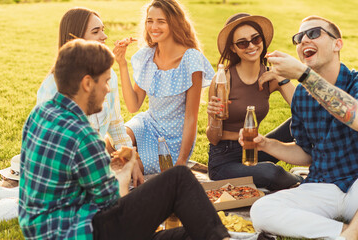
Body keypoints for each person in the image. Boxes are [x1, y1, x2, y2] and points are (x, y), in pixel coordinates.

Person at [19, 39, 230, 240]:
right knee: (179, 178)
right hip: (84, 232)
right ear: (86, 83)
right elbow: (113, 204)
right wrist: (126, 171)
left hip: (43, 230)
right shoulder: (83, 136)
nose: (108, 90)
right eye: (106, 81)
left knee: (194, 233)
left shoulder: (39, 114)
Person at [239, 15, 358, 239]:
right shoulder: (302, 96)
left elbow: (354, 115)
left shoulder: (355, 81)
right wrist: (266, 144)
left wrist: (304, 76)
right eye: (299, 37)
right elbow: (306, 154)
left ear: (337, 44)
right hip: (323, 187)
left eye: (313, 34)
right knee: (262, 210)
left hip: (356, 185)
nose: (303, 40)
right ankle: (344, 233)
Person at [35, 7, 143, 186]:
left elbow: (116, 125)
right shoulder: (53, 86)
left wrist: (131, 159)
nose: (104, 36)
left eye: (103, 29)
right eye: (96, 31)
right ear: (74, 40)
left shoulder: (109, 77)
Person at [114, 0, 215, 175]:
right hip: (147, 124)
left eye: (161, 21)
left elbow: (191, 117)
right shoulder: (148, 55)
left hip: (172, 141)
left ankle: (134, 161)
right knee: (113, 143)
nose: (154, 27)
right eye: (149, 20)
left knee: (126, 168)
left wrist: (182, 161)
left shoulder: (191, 60)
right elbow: (133, 106)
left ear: (174, 23)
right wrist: (122, 64)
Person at [206, 13, 302, 190]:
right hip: (225, 159)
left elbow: (304, 110)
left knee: (299, 121)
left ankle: (325, 162)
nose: (251, 46)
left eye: (256, 39)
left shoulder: (270, 76)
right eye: (242, 43)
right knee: (272, 173)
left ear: (262, 41)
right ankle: (308, 182)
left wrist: (281, 77)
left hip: (255, 147)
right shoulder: (223, 80)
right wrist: (214, 119)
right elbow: (213, 139)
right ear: (233, 48)